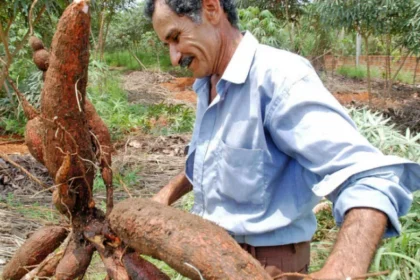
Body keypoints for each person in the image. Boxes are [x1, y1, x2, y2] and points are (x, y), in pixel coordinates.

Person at [144, 0, 420, 278]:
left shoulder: (279, 79)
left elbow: (369, 178)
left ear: (212, 8)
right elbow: (211, 159)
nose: (175, 57)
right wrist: (164, 196)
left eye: (176, 38)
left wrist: (342, 271)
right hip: (211, 258)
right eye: (167, 45)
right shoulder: (208, 83)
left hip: (266, 267)